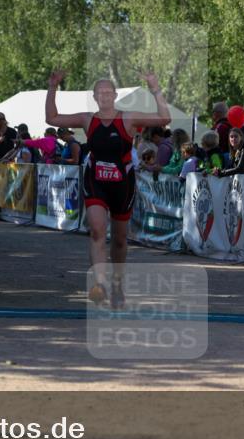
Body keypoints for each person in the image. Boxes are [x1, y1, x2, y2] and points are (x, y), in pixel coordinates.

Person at [45, 69, 170, 308]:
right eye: (99, 92)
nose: (104, 96)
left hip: (123, 185)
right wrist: (52, 87)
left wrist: (155, 88)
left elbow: (164, 119)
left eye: (108, 92)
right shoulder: (87, 119)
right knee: (97, 231)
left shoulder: (128, 118)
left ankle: (117, 285)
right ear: (94, 96)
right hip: (96, 182)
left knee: (120, 240)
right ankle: (99, 284)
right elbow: (52, 118)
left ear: (114, 95)